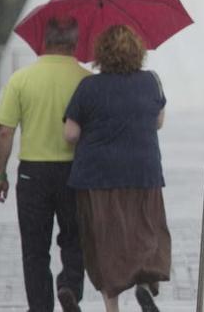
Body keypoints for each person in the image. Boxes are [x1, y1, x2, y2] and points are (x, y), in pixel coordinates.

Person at [63, 24, 170, 312]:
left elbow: (70, 134)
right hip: (143, 174)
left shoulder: (89, 87)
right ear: (137, 51)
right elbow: (158, 122)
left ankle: (113, 309)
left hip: (98, 179)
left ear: (102, 55)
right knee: (147, 234)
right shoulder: (151, 81)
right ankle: (146, 285)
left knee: (105, 245)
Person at [0, 17, 89, 312]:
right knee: (75, 239)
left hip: (32, 174)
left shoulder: (21, 79)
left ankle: (39, 307)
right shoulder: (85, 80)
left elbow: (5, 132)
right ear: (74, 42)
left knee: (35, 249)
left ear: (44, 41)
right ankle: (69, 285)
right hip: (74, 172)